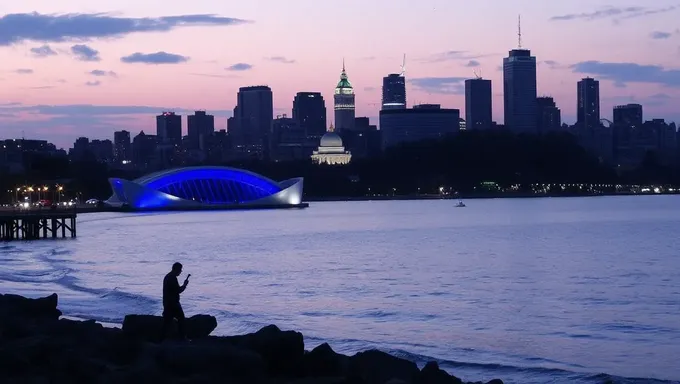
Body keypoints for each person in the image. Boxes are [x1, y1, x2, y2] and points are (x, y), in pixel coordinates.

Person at [161, 262, 190, 340]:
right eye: (180, 270)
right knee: (181, 320)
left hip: (167, 303)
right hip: (173, 304)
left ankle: (163, 339)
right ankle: (182, 338)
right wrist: (184, 285)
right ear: (176, 269)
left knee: (167, 322)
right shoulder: (172, 278)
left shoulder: (168, 277)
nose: (181, 271)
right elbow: (178, 290)